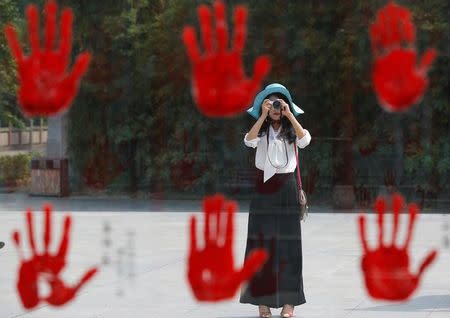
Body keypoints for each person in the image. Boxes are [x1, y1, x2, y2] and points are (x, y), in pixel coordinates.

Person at [239, 83, 311, 318]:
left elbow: (305, 140)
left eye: (279, 103)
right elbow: (248, 141)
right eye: (272, 103)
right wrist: (261, 116)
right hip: (263, 190)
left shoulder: (291, 131)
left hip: (287, 188)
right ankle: (263, 303)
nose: (276, 107)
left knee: (289, 247)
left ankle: (289, 304)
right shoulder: (261, 132)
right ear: (265, 108)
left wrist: (290, 115)